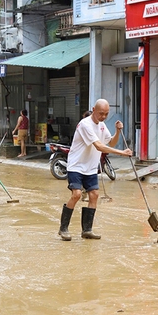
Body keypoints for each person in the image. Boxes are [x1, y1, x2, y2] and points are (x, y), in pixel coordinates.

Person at [58, 99, 132, 241]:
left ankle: (87, 230)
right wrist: (122, 153)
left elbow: (111, 142)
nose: (103, 117)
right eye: (101, 114)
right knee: (77, 194)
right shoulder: (85, 124)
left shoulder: (102, 126)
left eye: (106, 114)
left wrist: (117, 131)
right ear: (93, 109)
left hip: (91, 167)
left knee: (94, 195)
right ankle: (63, 228)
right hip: (76, 166)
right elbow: (99, 146)